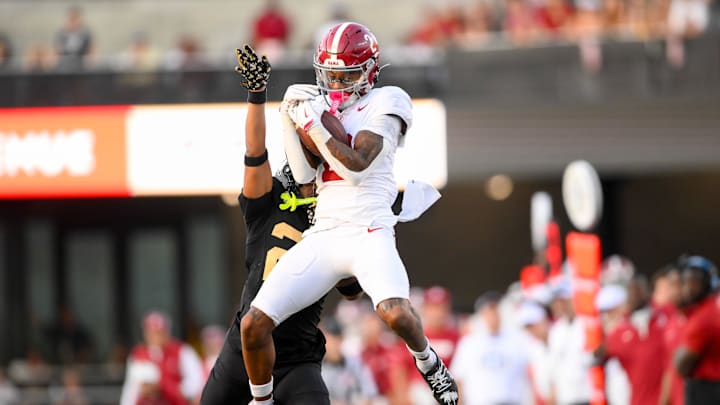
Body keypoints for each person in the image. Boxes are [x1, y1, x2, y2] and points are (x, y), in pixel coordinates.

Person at [239, 22, 458, 405]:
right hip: (325, 231)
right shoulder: (317, 104)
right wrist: (294, 124)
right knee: (253, 325)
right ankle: (262, 401)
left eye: (346, 73)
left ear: (370, 71)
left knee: (396, 314)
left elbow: (357, 165)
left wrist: (316, 125)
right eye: (331, 73)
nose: (337, 82)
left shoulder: (389, 100)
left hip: (370, 230)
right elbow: (306, 178)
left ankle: (428, 362)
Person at [199, 45, 363, 405]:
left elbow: (353, 290)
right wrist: (256, 98)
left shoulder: (336, 204)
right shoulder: (272, 195)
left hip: (297, 355)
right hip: (246, 348)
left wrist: (339, 238)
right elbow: (254, 152)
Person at [451, 291, 531, 405]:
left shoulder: (518, 339)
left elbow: (531, 372)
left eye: (496, 310)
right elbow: (458, 379)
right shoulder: (469, 343)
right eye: (489, 311)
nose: (493, 316)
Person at [120, 311, 204, 405]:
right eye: (151, 332)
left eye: (159, 332)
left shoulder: (182, 351)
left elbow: (195, 383)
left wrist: (165, 388)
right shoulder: (137, 354)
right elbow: (131, 389)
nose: (155, 336)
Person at [673, 255, 720, 404]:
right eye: (685, 282)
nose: (688, 288)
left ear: (708, 282)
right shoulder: (710, 308)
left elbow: (682, 366)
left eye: (694, 281)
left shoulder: (704, 317)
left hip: (707, 390)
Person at [320, 316, 379, 405]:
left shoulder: (355, 362)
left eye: (336, 339)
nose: (333, 344)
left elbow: (370, 392)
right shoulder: (316, 370)